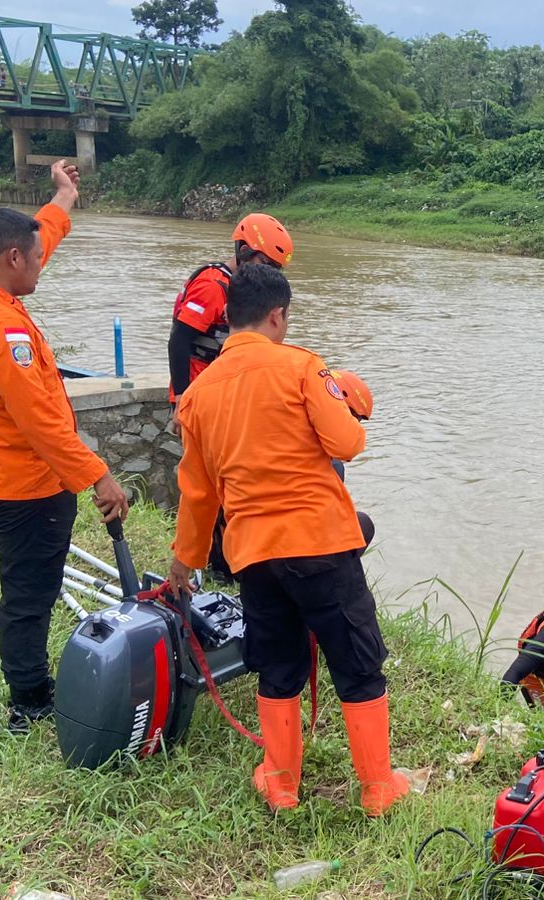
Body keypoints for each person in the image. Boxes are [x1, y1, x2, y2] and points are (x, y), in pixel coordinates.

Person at [167, 264, 411, 816]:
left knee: (277, 666)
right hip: (321, 544)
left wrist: (184, 561)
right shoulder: (302, 367)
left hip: (254, 554)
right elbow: (347, 442)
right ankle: (377, 790)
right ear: (278, 315)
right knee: (357, 661)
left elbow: (198, 493)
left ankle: (280, 786)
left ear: (228, 318)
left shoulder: (199, 395)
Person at [0, 160, 129, 735]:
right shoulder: (4, 331)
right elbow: (41, 422)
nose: (44, 260)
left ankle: (26, 686)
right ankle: (29, 697)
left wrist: (63, 197)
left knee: (26, 583)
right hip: (29, 485)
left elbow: (40, 235)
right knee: (29, 593)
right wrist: (97, 475)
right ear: (12, 260)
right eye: (36, 256)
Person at [203, 367, 377, 581]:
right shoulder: (329, 464)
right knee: (361, 524)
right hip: (281, 562)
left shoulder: (260, 434)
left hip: (237, 557)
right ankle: (335, 583)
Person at [167, 213, 294, 405]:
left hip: (221, 387)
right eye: (266, 264)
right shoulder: (213, 285)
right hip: (198, 390)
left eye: (276, 269)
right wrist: (180, 397)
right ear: (244, 251)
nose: (269, 273)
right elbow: (179, 339)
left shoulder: (243, 286)